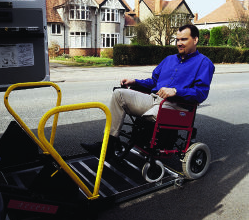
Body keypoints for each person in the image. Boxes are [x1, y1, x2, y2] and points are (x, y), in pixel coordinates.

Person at [81, 24, 215, 159]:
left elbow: (201, 93)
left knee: (148, 118)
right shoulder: (169, 59)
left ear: (195, 40)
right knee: (119, 95)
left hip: (176, 106)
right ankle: (108, 145)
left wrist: (176, 91)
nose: (179, 43)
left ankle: (149, 145)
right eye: (177, 40)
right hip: (154, 99)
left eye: (184, 39)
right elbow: (154, 82)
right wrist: (135, 82)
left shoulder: (204, 63)